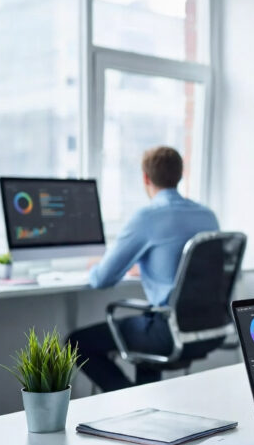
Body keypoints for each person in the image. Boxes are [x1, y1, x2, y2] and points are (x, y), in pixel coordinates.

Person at [68, 146, 219, 392]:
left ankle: (129, 398)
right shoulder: (208, 216)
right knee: (146, 335)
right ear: (180, 174)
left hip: (169, 332)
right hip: (209, 331)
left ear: (146, 178)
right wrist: (151, 265)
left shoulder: (147, 217)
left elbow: (103, 279)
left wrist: (94, 267)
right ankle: (146, 405)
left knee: (76, 342)